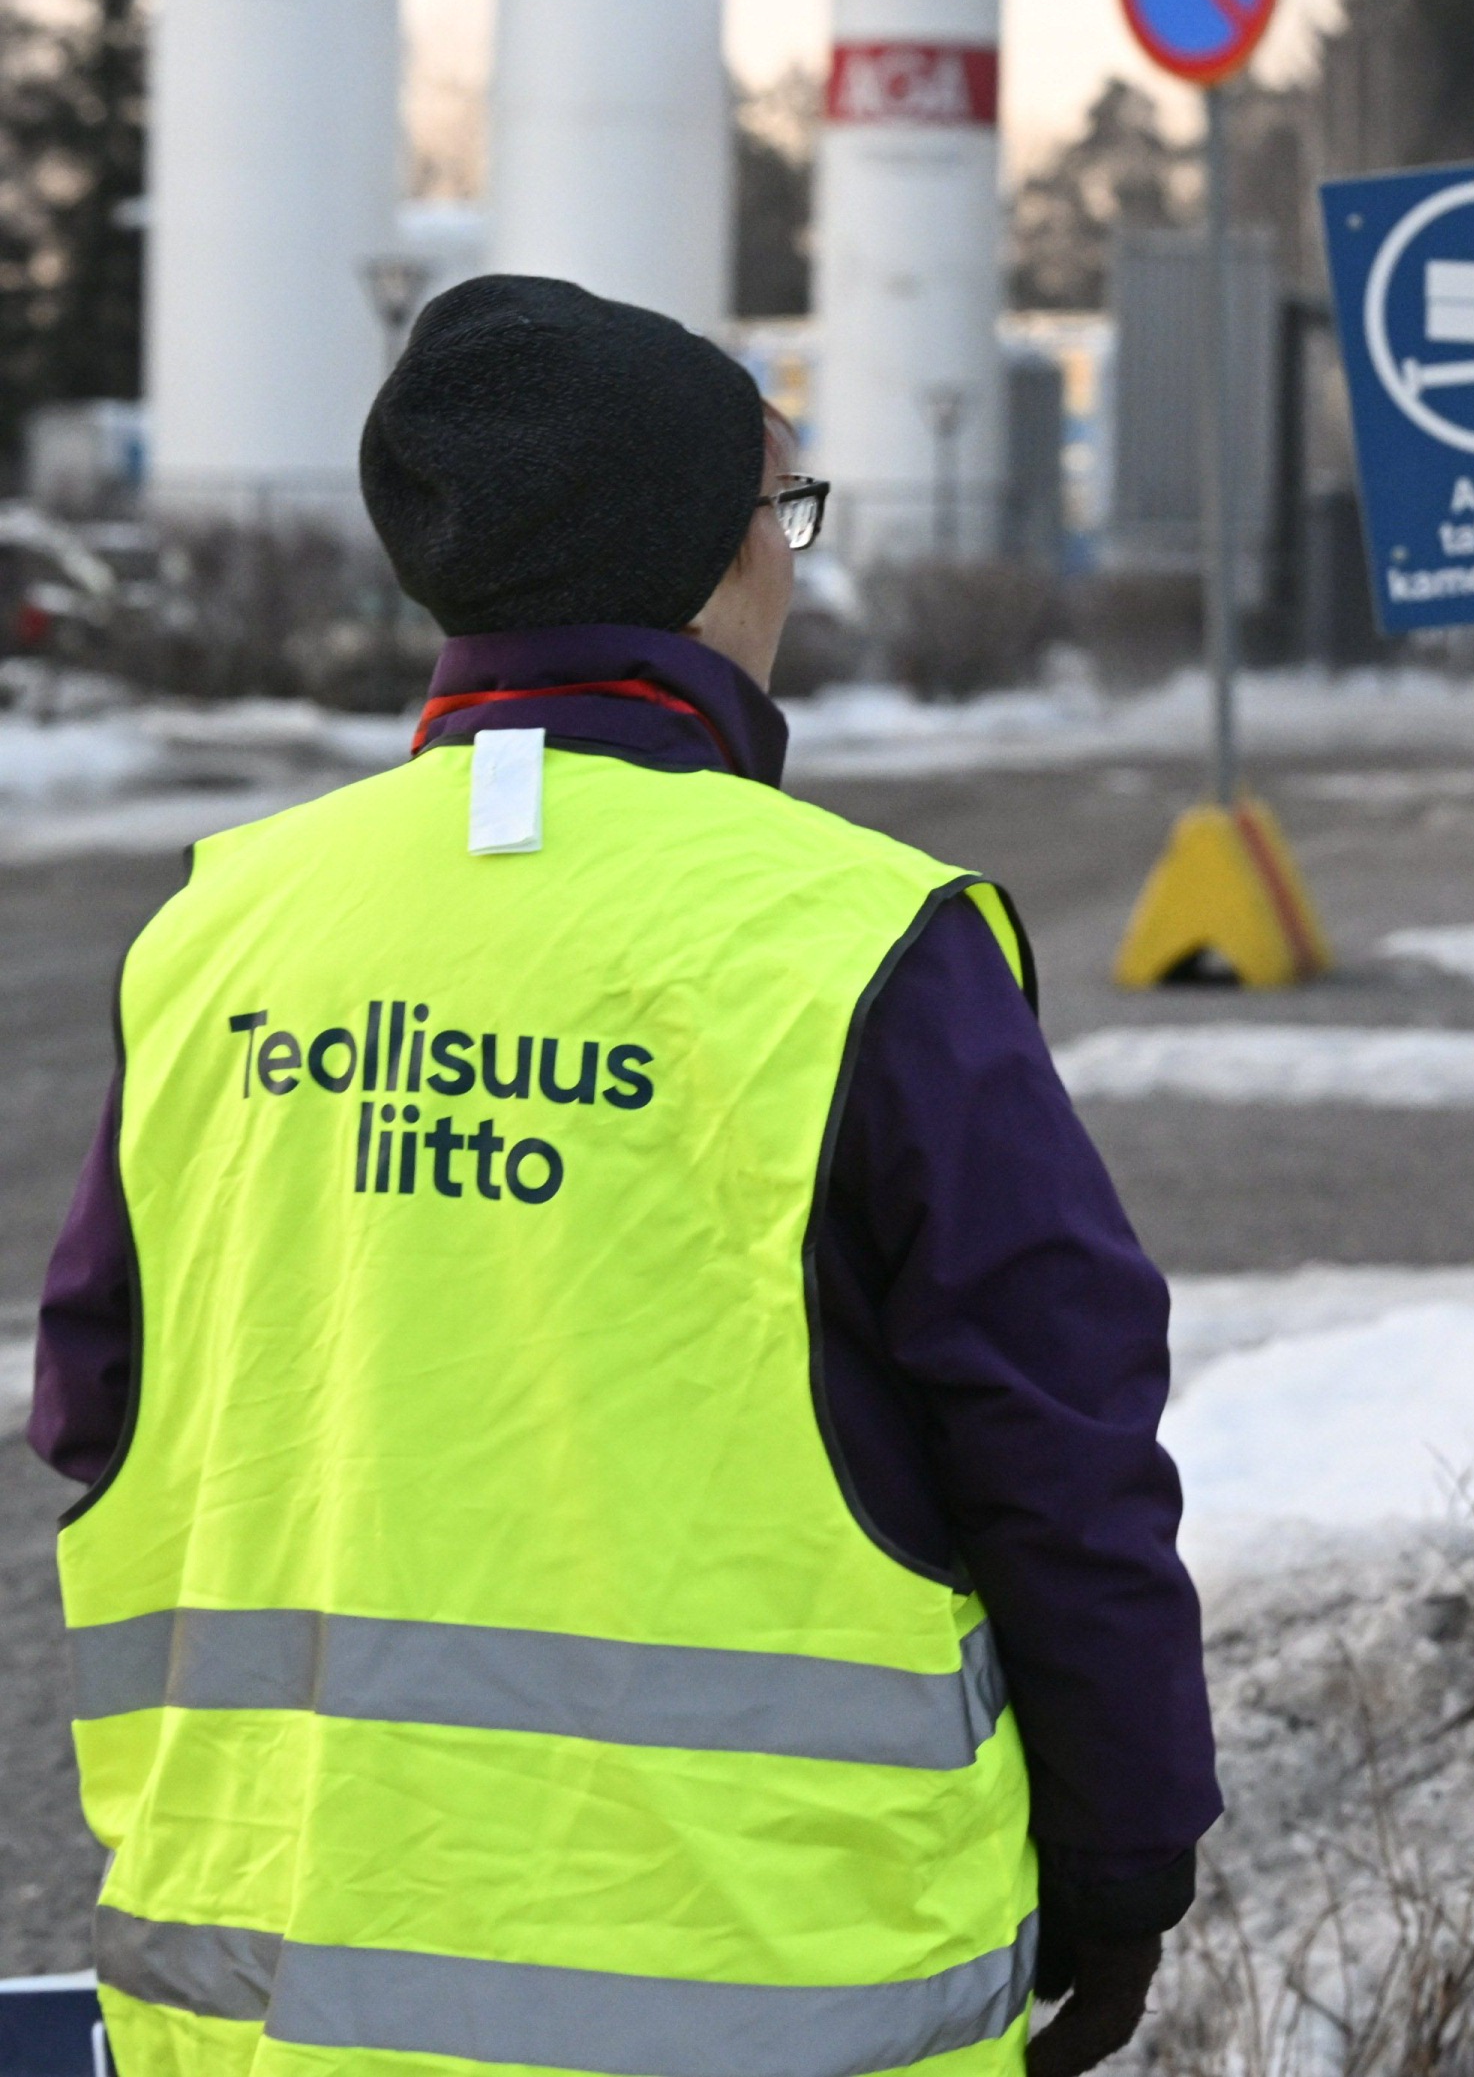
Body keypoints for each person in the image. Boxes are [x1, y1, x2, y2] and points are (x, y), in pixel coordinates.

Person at [35, 275, 1218, 2076]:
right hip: (780, 2003)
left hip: (269, 2002)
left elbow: (98, 1406)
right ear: (705, 551)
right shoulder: (861, 948)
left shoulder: (220, 930)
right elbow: (1059, 1452)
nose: (794, 561)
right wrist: (1124, 1866)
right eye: (781, 508)